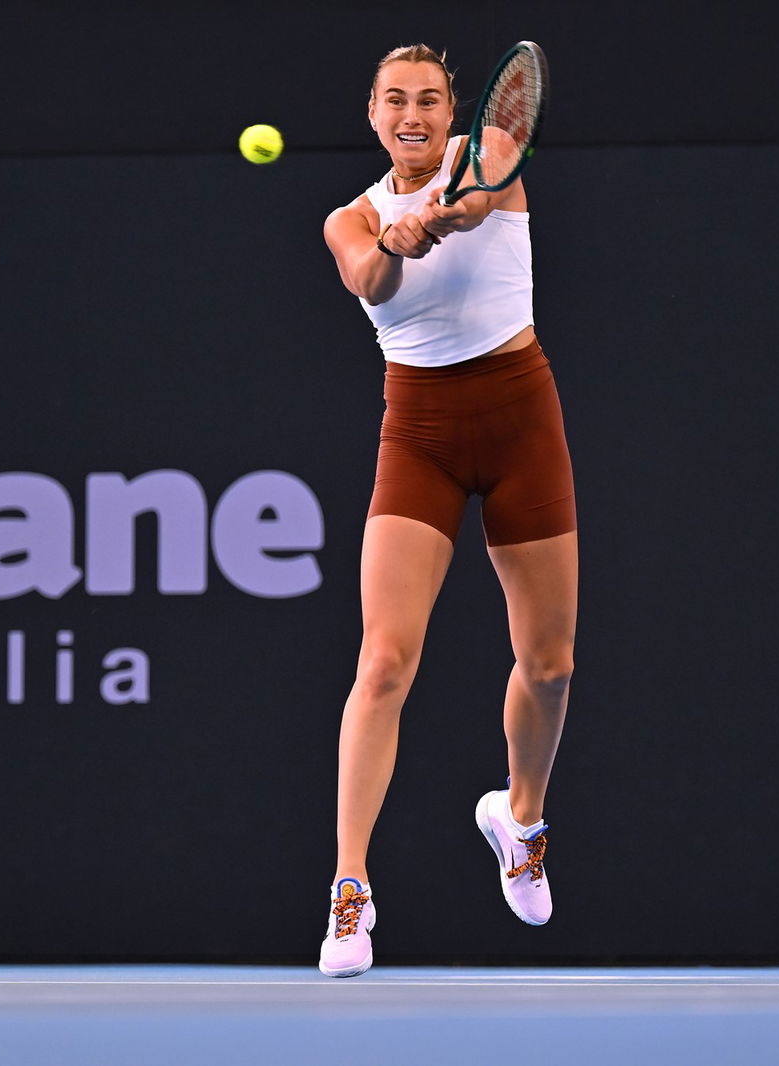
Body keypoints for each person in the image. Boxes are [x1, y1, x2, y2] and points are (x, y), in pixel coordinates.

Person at [316, 44, 577, 978]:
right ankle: (350, 892)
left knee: (548, 668)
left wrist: (441, 215)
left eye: (429, 99)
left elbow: (477, 200)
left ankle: (521, 817)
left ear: (452, 108)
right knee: (383, 661)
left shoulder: (490, 147)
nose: (413, 114)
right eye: (395, 100)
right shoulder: (348, 218)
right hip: (417, 433)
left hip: (520, 418)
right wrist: (394, 237)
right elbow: (369, 279)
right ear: (374, 113)